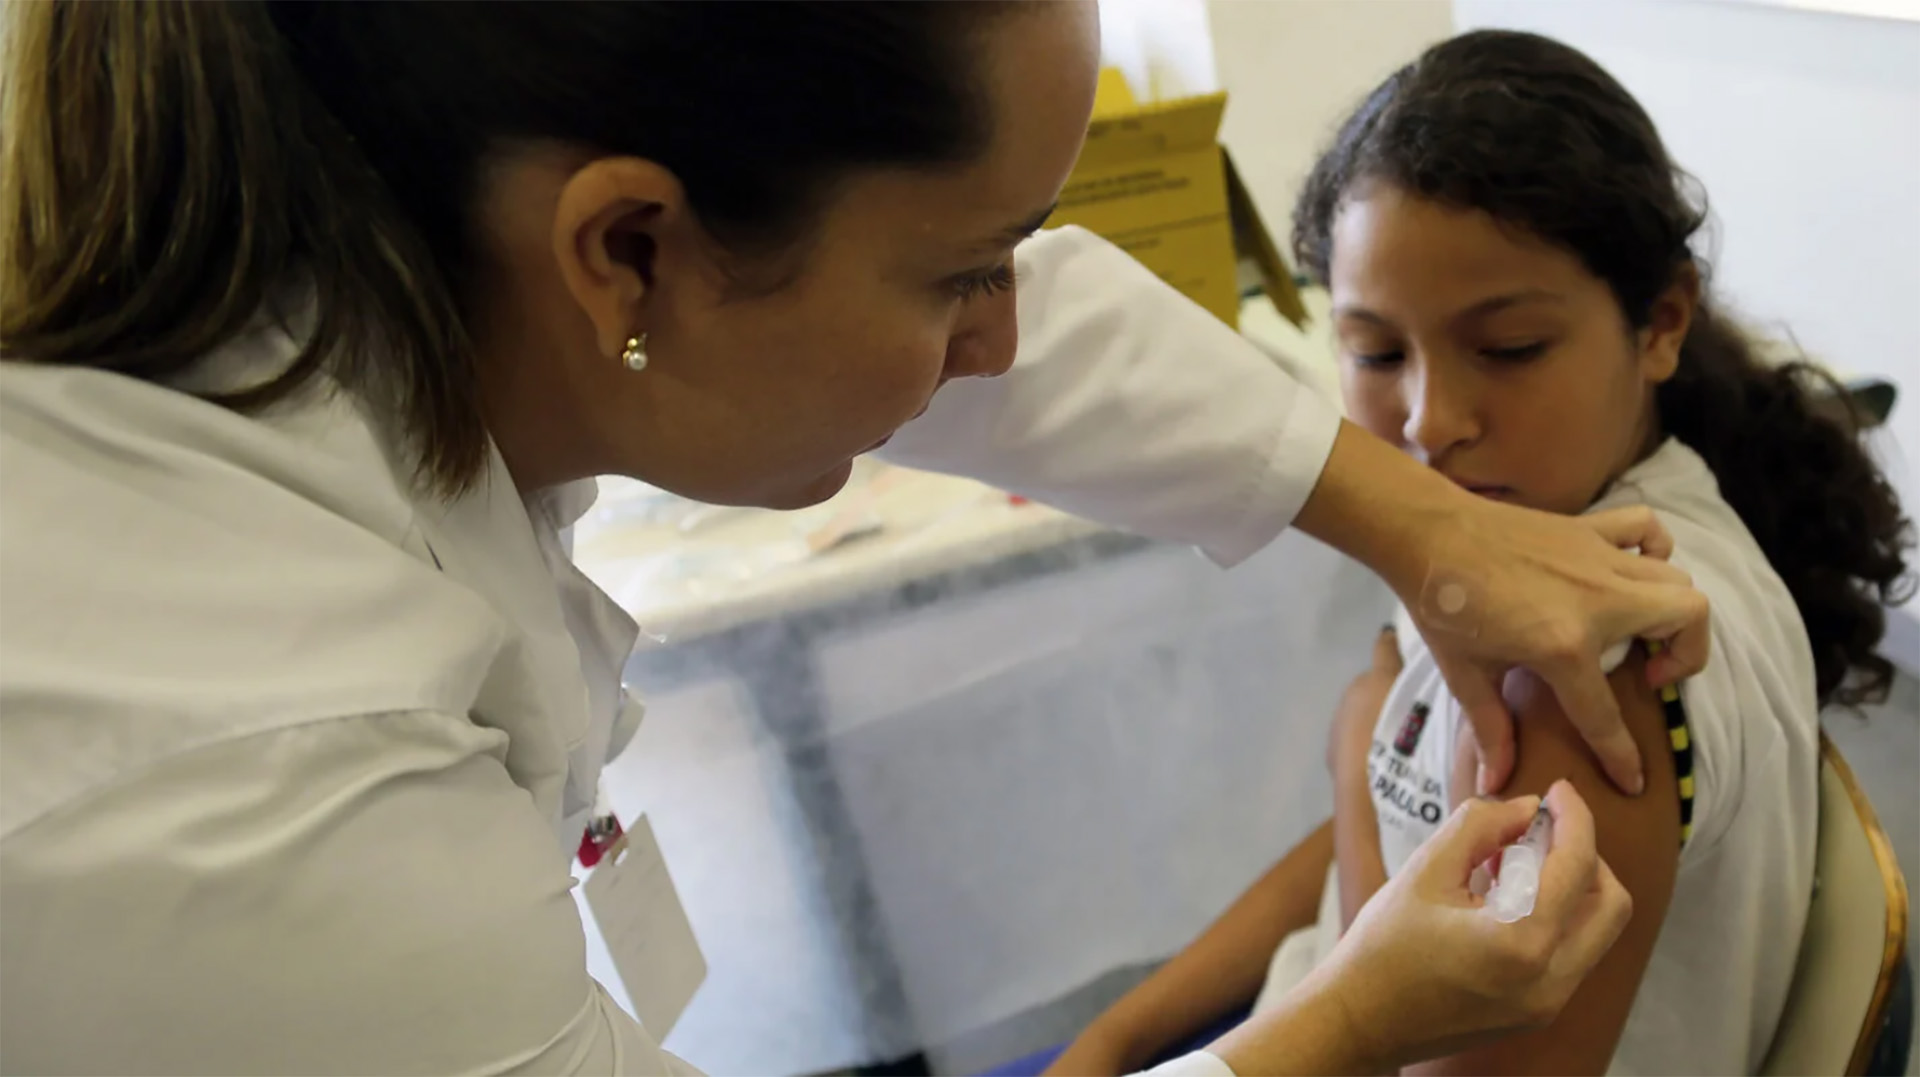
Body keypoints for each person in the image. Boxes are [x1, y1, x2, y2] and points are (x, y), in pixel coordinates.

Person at [0, 5, 1700, 1075]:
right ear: (631, 253)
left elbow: (999, 335)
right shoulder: (238, 781)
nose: (1000, 339)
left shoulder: (384, 234)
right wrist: (1332, 1029)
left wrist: (1416, 525)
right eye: (967, 273)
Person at [1048, 29, 1914, 1077]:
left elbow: (1401, 933)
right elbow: (1390, 809)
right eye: (1374, 351)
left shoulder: (1584, 668)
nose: (1430, 420)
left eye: (1508, 350)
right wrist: (1114, 1038)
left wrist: (1352, 744)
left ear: (1662, 321)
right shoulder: (1518, 535)